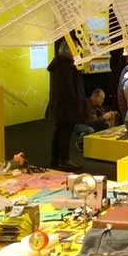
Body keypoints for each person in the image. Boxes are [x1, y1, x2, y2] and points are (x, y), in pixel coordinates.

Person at [45, 42, 84, 172]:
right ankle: (64, 160)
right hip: (66, 107)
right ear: (69, 50)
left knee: (59, 132)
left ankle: (57, 160)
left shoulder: (58, 65)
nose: (77, 51)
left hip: (60, 106)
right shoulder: (65, 66)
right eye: (76, 48)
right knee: (64, 134)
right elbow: (68, 89)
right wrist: (76, 103)